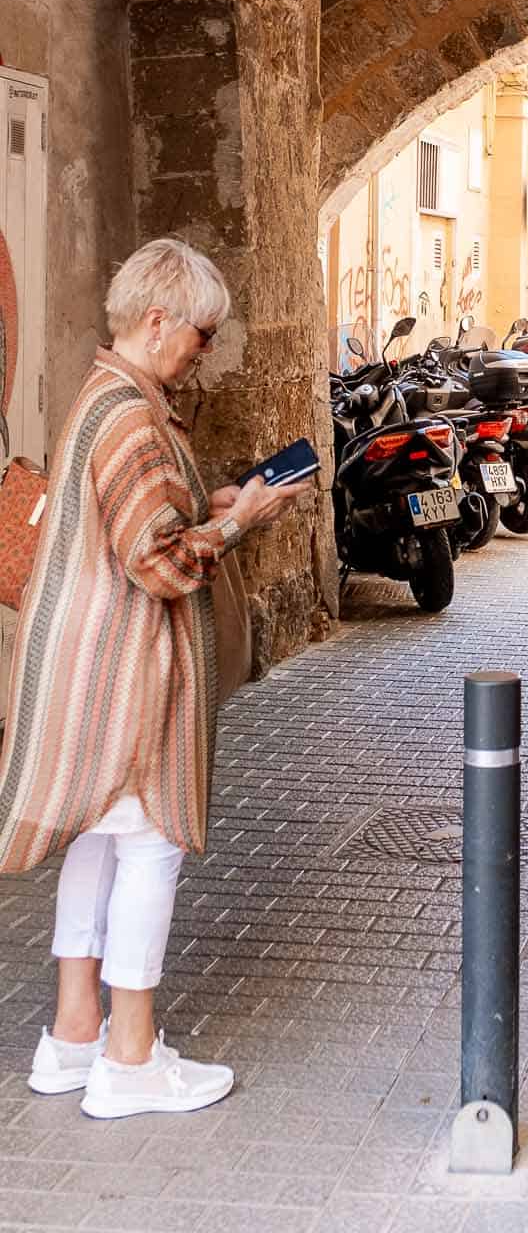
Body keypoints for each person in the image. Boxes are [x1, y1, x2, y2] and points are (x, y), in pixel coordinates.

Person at [0, 239, 312, 1121]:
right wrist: (242, 520)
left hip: (80, 663)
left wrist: (208, 505)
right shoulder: (135, 419)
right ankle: (130, 1058)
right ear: (157, 320)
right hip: (123, 671)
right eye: (201, 334)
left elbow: (136, 522)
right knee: (148, 844)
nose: (204, 350)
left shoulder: (105, 399)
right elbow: (159, 563)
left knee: (97, 839)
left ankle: (71, 1039)